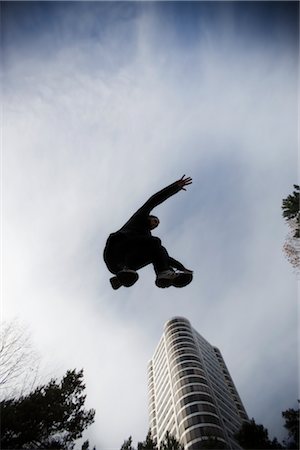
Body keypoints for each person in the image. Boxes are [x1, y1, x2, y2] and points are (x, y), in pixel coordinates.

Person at [103, 175, 193, 290]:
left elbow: (164, 257)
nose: (155, 224)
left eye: (157, 224)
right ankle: (125, 273)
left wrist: (181, 268)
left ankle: (163, 274)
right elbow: (154, 200)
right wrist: (175, 187)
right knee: (155, 242)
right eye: (154, 220)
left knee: (159, 250)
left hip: (120, 266)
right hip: (115, 249)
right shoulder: (139, 217)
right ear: (149, 217)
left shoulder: (146, 238)